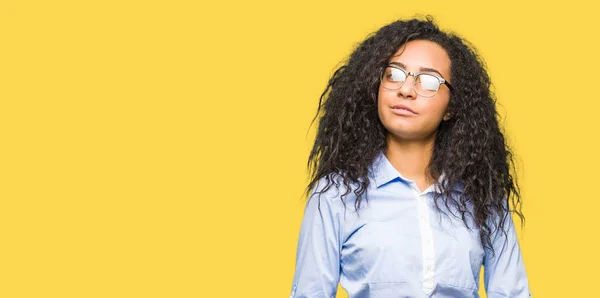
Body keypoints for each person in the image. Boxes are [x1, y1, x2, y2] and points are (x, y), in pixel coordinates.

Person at [289, 16, 531, 298]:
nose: (405, 90)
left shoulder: (482, 197)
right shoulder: (334, 196)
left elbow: (513, 293)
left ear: (451, 107)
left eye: (428, 81)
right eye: (394, 74)